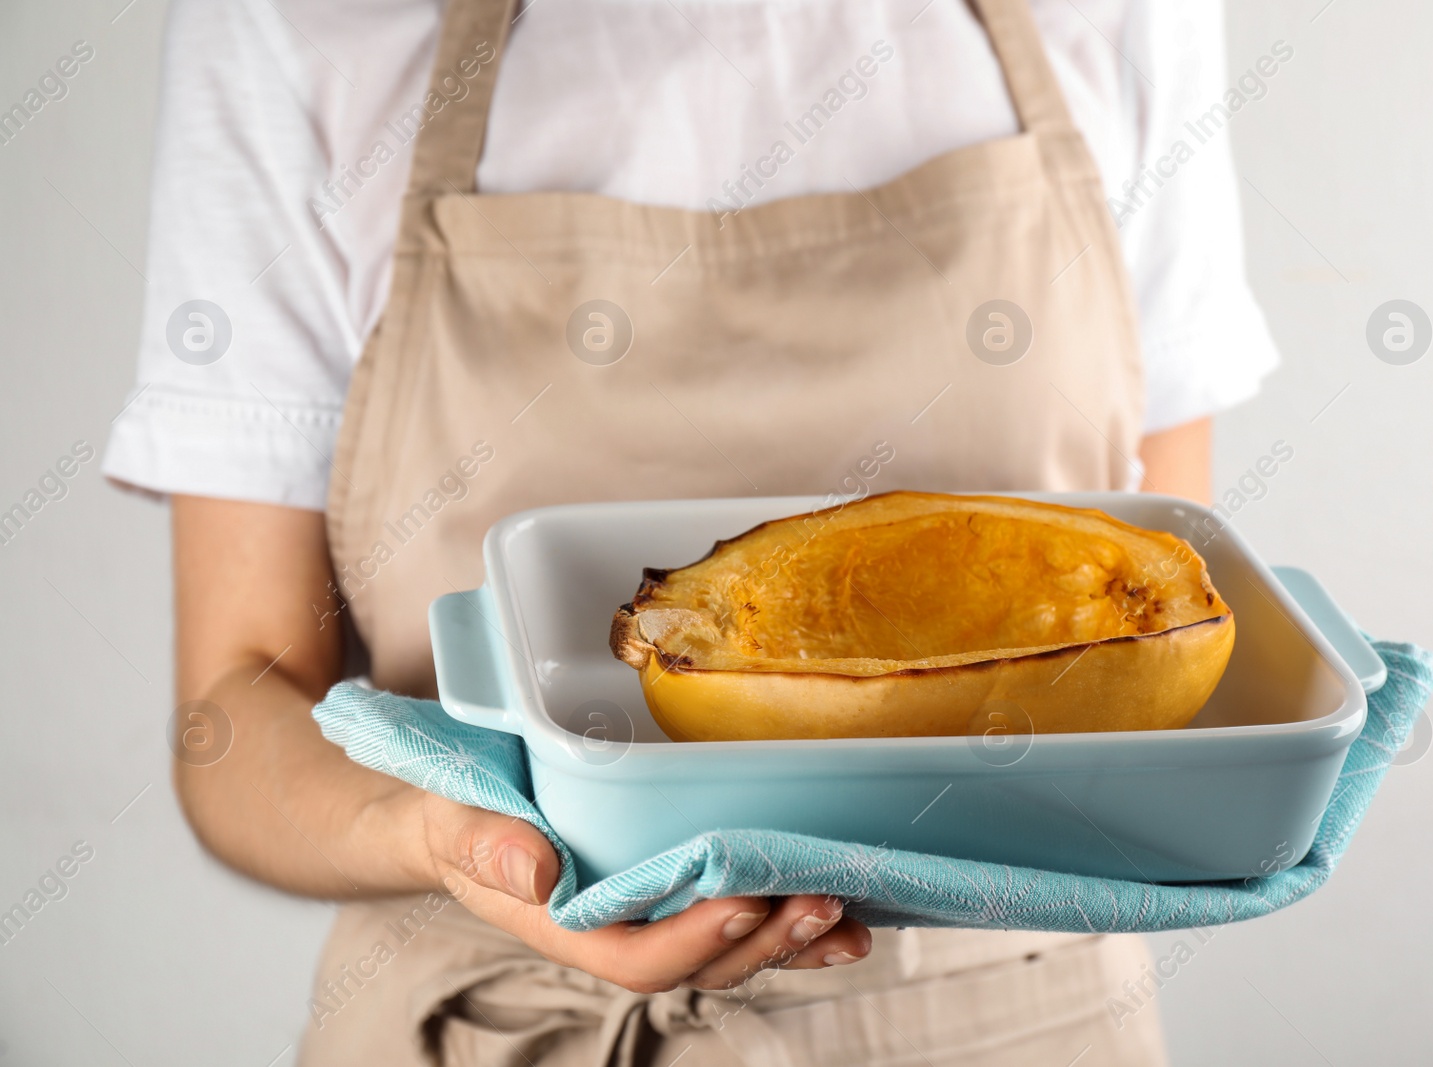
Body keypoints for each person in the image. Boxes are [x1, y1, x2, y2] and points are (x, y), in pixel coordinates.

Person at [106, 0, 1279, 1061]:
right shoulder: (286, 23)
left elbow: (1168, 629)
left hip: (1015, 1017)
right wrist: (437, 838)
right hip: (493, 1017)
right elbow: (235, 694)